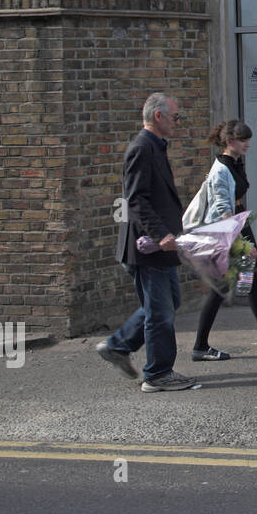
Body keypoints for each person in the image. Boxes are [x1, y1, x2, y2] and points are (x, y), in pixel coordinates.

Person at [96, 92, 198, 392]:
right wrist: (161, 234)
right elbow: (136, 199)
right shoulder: (142, 148)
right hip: (148, 247)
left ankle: (118, 345)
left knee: (168, 303)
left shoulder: (154, 147)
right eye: (175, 117)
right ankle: (157, 374)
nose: (177, 123)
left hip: (159, 246)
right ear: (158, 117)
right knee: (160, 311)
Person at [188, 120, 257, 361]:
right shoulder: (221, 170)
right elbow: (222, 210)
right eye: (243, 140)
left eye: (248, 139)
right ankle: (199, 346)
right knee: (221, 287)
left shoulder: (235, 162)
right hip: (226, 233)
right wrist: (240, 243)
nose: (248, 144)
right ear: (230, 142)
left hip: (237, 227)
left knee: (253, 282)